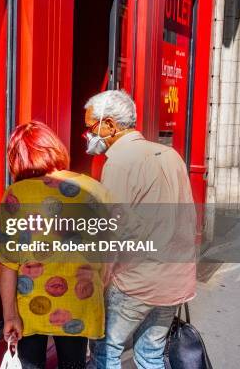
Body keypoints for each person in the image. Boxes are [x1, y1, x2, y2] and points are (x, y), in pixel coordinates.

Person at [83, 90, 196, 369]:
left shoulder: (120, 163)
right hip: (175, 278)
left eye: (90, 127)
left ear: (108, 125)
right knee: (151, 355)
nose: (87, 134)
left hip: (136, 280)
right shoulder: (171, 155)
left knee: (106, 351)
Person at [0, 120, 110, 369]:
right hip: (80, 301)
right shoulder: (94, 189)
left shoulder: (17, 194)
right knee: (74, 363)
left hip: (31, 306)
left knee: (31, 364)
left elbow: (7, 263)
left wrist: (9, 316)